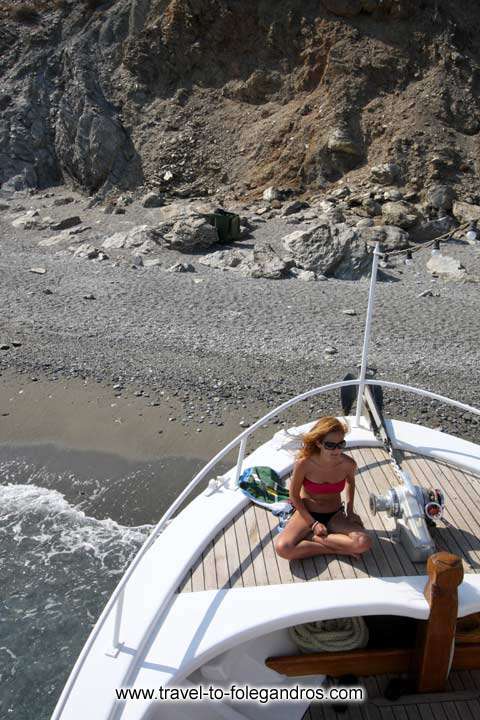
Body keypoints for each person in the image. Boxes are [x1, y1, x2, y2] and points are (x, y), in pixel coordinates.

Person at [274, 416, 372, 560]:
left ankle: (312, 538)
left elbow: (350, 483)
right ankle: (336, 550)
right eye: (330, 445)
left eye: (341, 444)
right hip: (307, 514)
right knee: (283, 548)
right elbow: (293, 495)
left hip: (334, 514)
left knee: (363, 542)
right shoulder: (304, 463)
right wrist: (313, 524)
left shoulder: (348, 464)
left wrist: (350, 511)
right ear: (319, 443)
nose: (336, 450)